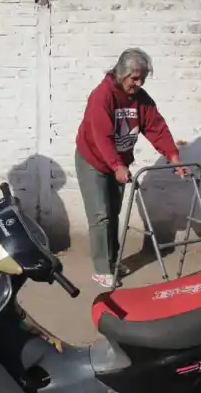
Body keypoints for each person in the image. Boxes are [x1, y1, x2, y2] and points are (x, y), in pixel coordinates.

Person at [75, 48, 188, 288]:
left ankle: (113, 261)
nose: (138, 83)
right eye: (134, 78)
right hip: (92, 160)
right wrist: (116, 164)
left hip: (119, 162)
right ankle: (101, 268)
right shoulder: (102, 96)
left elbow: (156, 127)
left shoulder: (140, 99)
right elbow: (101, 136)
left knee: (113, 213)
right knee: (100, 215)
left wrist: (173, 156)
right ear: (121, 73)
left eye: (142, 78)